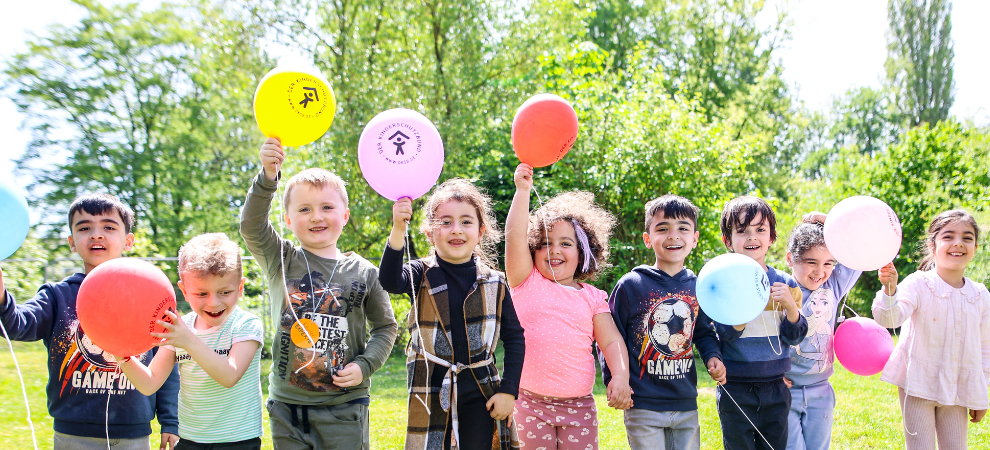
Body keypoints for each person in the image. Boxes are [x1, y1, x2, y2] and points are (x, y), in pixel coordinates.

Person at [240, 138, 397, 449]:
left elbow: (386, 327)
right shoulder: (280, 259)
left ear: (345, 215)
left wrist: (365, 365)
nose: (316, 216)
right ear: (287, 220)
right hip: (287, 408)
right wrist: (267, 178)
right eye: (304, 209)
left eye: (327, 207)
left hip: (345, 408)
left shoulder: (365, 272)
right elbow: (251, 226)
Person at [0, 193, 179, 450]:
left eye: (108, 227)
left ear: (128, 240)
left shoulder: (150, 293)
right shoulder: (56, 296)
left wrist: (171, 422)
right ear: (72, 242)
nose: (96, 234)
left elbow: (167, 362)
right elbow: (16, 324)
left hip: (132, 431)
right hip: (72, 430)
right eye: (85, 228)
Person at [378, 178, 525, 450]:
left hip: (481, 390)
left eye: (466, 222)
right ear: (430, 233)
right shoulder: (420, 273)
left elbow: (515, 339)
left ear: (481, 231)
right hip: (431, 388)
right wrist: (398, 228)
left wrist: (508, 390)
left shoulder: (496, 282)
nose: (456, 230)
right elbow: (388, 279)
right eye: (445, 222)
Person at [504, 163, 631, 450]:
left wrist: (620, 376)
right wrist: (522, 191)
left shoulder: (593, 297)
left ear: (584, 252)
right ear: (533, 249)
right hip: (528, 402)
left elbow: (610, 341)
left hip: (579, 407)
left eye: (566, 243)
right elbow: (513, 238)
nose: (555, 250)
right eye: (546, 242)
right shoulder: (525, 281)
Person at [116, 233, 264, 449]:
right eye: (202, 293)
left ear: (240, 287)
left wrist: (188, 340)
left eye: (225, 292)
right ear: (184, 291)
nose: (213, 302)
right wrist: (122, 356)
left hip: (237, 440)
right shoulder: (179, 329)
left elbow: (229, 375)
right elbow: (149, 383)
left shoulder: (246, 325)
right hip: (190, 440)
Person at [604, 194, 725, 450]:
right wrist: (615, 379)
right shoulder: (631, 285)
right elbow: (608, 336)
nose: (673, 235)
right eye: (663, 228)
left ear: (695, 238)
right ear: (648, 239)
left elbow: (702, 332)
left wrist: (713, 355)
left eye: (683, 228)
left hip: (685, 402)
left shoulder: (697, 286)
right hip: (643, 404)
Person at [873, 209, 989, 450]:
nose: (958, 243)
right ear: (932, 245)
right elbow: (889, 318)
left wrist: (981, 394)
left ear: (976, 247)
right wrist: (890, 290)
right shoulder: (919, 283)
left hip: (957, 388)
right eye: (948, 236)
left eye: (967, 237)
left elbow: (985, 348)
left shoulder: (980, 295)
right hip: (917, 383)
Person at [713, 195, 807, 450]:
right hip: (735, 387)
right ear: (728, 241)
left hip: (776, 386)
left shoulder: (785, 283)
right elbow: (725, 334)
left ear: (772, 238)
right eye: (742, 231)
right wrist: (742, 306)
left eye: (760, 230)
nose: (752, 237)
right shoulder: (722, 285)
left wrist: (790, 307)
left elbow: (795, 337)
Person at [782, 213, 862, 450]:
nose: (820, 271)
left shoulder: (833, 287)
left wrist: (827, 220)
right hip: (787, 391)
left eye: (828, 263)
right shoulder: (781, 290)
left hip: (821, 392)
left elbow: (856, 250)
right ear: (790, 259)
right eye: (811, 262)